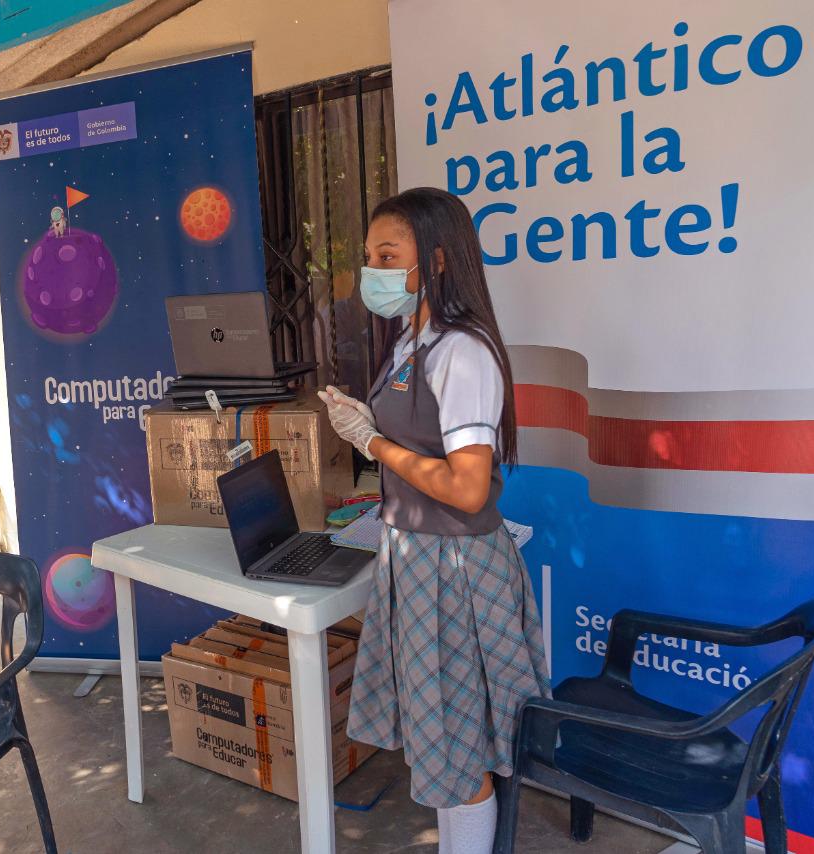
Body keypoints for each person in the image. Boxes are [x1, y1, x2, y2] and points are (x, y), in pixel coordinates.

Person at [318, 188, 549, 854]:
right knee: (441, 744)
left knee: (457, 749)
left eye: (388, 255)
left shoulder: (461, 354)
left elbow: (468, 489)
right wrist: (369, 430)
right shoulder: (412, 340)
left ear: (439, 261)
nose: (373, 271)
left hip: (452, 570)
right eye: (369, 257)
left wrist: (373, 444)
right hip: (415, 558)